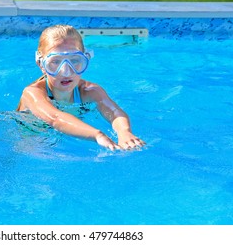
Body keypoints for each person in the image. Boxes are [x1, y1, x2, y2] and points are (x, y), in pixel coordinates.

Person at [17, 24, 145, 151]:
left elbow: (115, 112)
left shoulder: (90, 91)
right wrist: (97, 135)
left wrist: (124, 132)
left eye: (74, 61)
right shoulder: (33, 93)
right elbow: (55, 118)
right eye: (56, 62)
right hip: (29, 143)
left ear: (85, 60)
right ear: (41, 65)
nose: (66, 71)